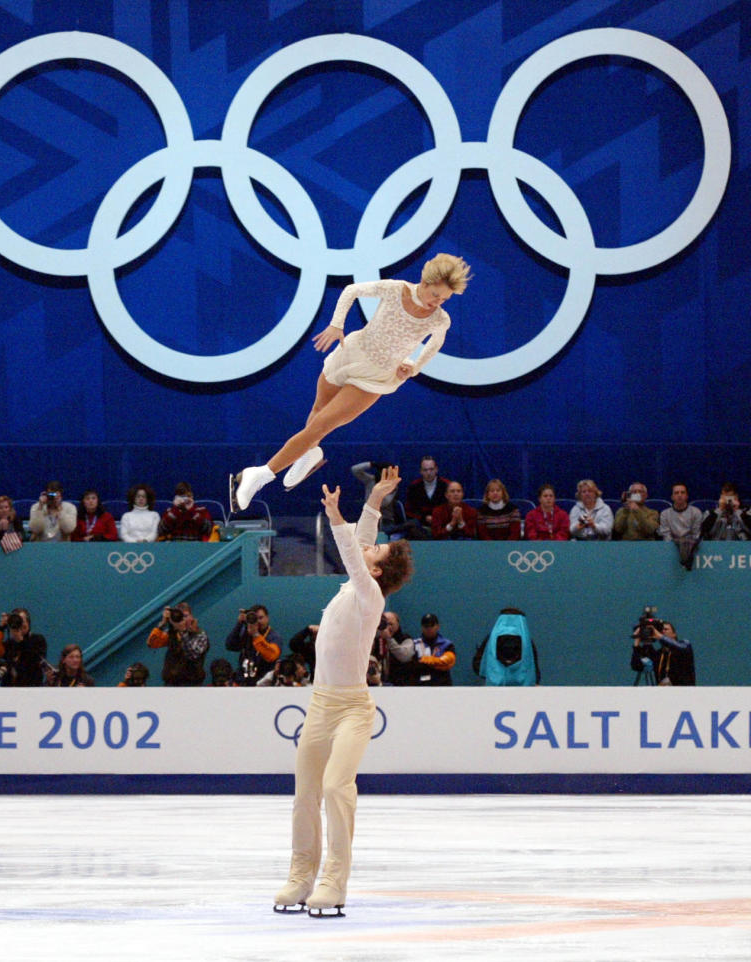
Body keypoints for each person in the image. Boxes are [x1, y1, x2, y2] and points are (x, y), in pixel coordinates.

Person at [273, 466, 413, 917]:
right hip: (319, 705)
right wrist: (373, 499)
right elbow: (361, 546)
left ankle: (334, 881)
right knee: (305, 794)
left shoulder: (371, 596)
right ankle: (300, 877)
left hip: (353, 708)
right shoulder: (357, 586)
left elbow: (354, 554)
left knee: (337, 787)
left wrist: (336, 516)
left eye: (376, 550)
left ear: (376, 568)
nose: (368, 544)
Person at [233, 254, 472, 510]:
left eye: (445, 299)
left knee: (320, 426)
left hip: (376, 376)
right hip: (351, 352)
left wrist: (415, 366)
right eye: (436, 295)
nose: (438, 302)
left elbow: (436, 343)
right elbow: (351, 290)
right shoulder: (395, 289)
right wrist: (337, 325)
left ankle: (261, 473)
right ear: (425, 282)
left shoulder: (439, 319)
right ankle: (309, 453)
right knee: (317, 413)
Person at [147, 602, 210, 686]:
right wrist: (162, 624)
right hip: (172, 684)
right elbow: (151, 644)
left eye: (186, 616)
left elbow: (193, 655)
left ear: (192, 617)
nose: (183, 619)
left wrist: (182, 631)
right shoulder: (173, 634)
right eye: (180, 616)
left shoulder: (200, 634)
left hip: (191, 685)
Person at [225, 604, 282, 685]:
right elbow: (230, 645)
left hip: (263, 682)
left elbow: (271, 656)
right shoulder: (246, 633)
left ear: (267, 618)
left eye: (261, 618)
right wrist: (239, 624)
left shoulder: (274, 637)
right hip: (243, 680)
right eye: (255, 619)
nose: (258, 622)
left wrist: (256, 635)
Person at [0, 610, 48, 687]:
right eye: (17, 621)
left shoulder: (37, 639)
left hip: (30, 686)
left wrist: (20, 641)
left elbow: (35, 659)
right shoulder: (10, 643)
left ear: (28, 623)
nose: (20, 624)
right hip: (9, 687)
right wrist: (1, 628)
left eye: (22, 621)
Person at [401, 456, 450, 539]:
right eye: (425, 470)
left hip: (443, 525)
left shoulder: (446, 485)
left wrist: (437, 518)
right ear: (421, 471)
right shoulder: (414, 487)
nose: (428, 473)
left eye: (431, 469)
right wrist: (424, 518)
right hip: (420, 526)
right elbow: (409, 511)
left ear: (436, 469)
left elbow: (450, 507)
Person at [658, 483, 703, 568]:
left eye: (682, 492)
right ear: (672, 497)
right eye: (676, 493)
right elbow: (666, 535)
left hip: (691, 547)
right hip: (671, 547)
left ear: (687, 496)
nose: (679, 495)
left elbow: (696, 534)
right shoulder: (665, 514)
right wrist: (675, 548)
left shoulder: (696, 512)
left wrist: (687, 547)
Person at [411, 613, 455, 686]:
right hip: (421, 686)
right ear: (422, 627)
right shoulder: (415, 644)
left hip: (443, 684)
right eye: (426, 626)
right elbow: (412, 665)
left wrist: (431, 661)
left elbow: (448, 662)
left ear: (438, 626)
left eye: (432, 625)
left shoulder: (447, 644)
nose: (429, 628)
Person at [649, 621, 695, 686]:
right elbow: (638, 666)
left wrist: (660, 637)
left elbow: (681, 648)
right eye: (661, 630)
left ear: (674, 634)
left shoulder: (685, 645)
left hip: (684, 693)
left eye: (666, 629)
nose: (663, 632)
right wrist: (638, 642)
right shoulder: (659, 654)